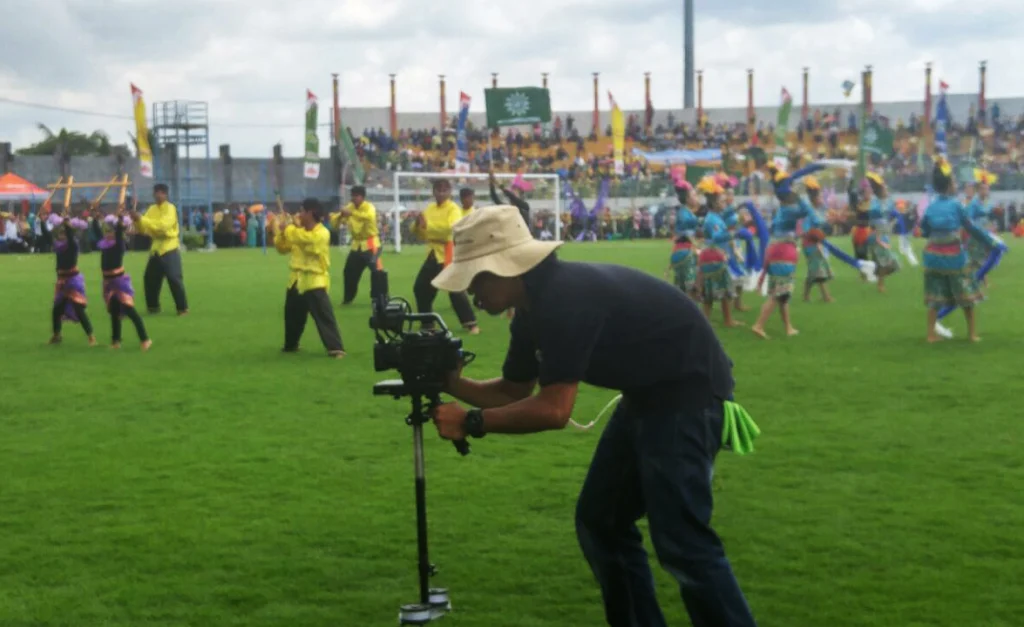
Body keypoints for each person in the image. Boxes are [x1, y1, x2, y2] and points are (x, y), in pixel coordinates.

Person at [430, 205, 758, 627]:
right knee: (601, 521)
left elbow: (554, 410)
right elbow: (514, 391)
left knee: (683, 542)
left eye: (477, 277)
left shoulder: (565, 299)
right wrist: (453, 385)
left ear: (510, 267)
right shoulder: (533, 309)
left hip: (687, 399)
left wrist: (471, 422)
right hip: (647, 397)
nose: (470, 292)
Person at [921, 158, 995, 343]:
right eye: (954, 181)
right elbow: (971, 228)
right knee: (966, 294)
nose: (956, 184)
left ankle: (930, 334)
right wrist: (990, 242)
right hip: (953, 256)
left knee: (934, 297)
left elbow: (924, 230)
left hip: (932, 256)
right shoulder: (956, 205)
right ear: (948, 186)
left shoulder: (930, 207)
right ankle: (971, 334)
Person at [750, 166, 820, 340]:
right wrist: (802, 196)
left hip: (776, 251)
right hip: (783, 252)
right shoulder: (791, 208)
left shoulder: (783, 207)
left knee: (782, 293)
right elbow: (812, 215)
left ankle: (788, 327)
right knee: (779, 293)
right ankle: (758, 325)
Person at [272, 198, 346, 358]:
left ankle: (336, 347)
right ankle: (291, 345)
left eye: (302, 211)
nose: (299, 215)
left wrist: (289, 228)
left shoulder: (321, 233)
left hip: (314, 279)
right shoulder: (299, 231)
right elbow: (282, 248)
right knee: (292, 316)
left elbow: (307, 241)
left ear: (310, 213)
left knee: (324, 316)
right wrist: (279, 231)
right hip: (296, 278)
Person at [413, 178, 479, 334]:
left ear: (449, 192)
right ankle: (427, 324)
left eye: (444, 190)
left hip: (447, 253)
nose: (441, 193)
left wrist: (427, 227)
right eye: (438, 190)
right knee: (421, 288)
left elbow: (451, 229)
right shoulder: (429, 209)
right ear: (433, 192)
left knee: (454, 289)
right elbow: (420, 234)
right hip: (432, 253)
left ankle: (471, 324)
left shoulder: (453, 209)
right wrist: (417, 224)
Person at [130, 183, 189, 315]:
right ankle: (153, 307)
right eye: (156, 192)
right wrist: (137, 220)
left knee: (174, 278)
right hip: (156, 247)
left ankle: (182, 308)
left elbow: (163, 227)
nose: (158, 195)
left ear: (166, 195)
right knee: (150, 279)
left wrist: (142, 219)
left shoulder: (170, 208)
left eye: (161, 192)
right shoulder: (152, 209)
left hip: (170, 247)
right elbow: (143, 229)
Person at [98, 210, 151, 351]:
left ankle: (145, 339)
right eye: (106, 231)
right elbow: (99, 229)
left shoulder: (118, 245)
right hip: (108, 283)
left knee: (129, 310)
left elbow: (120, 232)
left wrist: (120, 219)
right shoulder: (104, 245)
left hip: (119, 282)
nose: (107, 234)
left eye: (110, 232)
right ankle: (116, 341)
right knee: (114, 312)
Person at [696, 177, 743, 327]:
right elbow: (717, 237)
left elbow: (727, 212)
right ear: (716, 203)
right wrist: (733, 233)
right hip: (714, 255)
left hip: (711, 255)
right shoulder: (713, 220)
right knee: (721, 290)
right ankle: (723, 321)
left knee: (716, 292)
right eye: (722, 201)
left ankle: (711, 321)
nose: (725, 203)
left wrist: (738, 207)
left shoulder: (714, 216)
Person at [43, 213, 96, 346]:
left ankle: (91, 336)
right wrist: (42, 222)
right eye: (60, 234)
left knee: (78, 309)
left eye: (64, 234)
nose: (61, 236)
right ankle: (57, 335)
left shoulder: (73, 246)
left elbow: (71, 238)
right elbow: (48, 237)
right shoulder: (58, 246)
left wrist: (67, 226)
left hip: (73, 281)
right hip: (61, 281)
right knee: (57, 310)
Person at [333, 185, 382, 305]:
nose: (353, 198)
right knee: (349, 272)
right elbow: (335, 223)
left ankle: (381, 298)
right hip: (356, 245)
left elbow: (368, 216)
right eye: (352, 196)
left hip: (371, 243)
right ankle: (348, 298)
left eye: (356, 196)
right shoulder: (350, 207)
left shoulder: (369, 207)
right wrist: (340, 216)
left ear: (362, 197)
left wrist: (351, 213)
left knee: (377, 272)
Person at [863, 173, 901, 293]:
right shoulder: (874, 203)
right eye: (884, 188)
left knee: (885, 263)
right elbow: (873, 220)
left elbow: (893, 215)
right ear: (879, 191)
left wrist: (893, 221)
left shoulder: (888, 202)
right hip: (877, 235)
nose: (886, 190)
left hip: (885, 235)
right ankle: (879, 282)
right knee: (885, 261)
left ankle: (875, 276)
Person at [801, 177, 833, 303]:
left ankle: (806, 295)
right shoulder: (809, 212)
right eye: (819, 197)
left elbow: (824, 223)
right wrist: (815, 235)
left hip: (820, 243)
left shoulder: (820, 210)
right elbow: (806, 230)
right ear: (813, 198)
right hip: (810, 244)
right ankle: (826, 296)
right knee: (819, 270)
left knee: (814, 271)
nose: (821, 199)